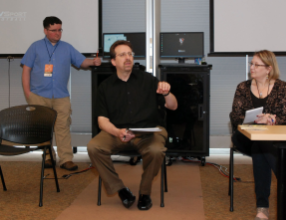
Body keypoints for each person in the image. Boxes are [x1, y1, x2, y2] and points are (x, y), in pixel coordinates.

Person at [87, 40, 178, 210]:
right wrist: (117, 132)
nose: (128, 58)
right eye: (122, 55)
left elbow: (173, 106)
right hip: (119, 132)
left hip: (149, 133)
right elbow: (102, 121)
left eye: (130, 54)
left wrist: (167, 93)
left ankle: (145, 193)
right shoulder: (105, 87)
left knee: (156, 150)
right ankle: (121, 190)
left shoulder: (148, 80)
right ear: (113, 61)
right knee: (94, 147)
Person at [230, 50, 286, 220]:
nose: (252, 67)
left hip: (273, 140)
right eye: (251, 64)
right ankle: (285, 179)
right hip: (245, 138)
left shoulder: (282, 87)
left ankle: (262, 208)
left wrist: (271, 119)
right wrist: (254, 120)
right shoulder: (242, 87)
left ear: (268, 68)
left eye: (256, 64)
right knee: (257, 138)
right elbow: (235, 116)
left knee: (260, 144)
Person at [21, 16, 101, 171]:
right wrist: (28, 94)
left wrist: (93, 62)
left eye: (59, 30)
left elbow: (81, 62)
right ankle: (49, 157)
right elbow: (26, 70)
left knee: (63, 127)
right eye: (53, 30)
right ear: (45, 30)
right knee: (43, 128)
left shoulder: (67, 47)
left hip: (61, 96)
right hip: (38, 95)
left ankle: (66, 159)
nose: (57, 33)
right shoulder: (35, 47)